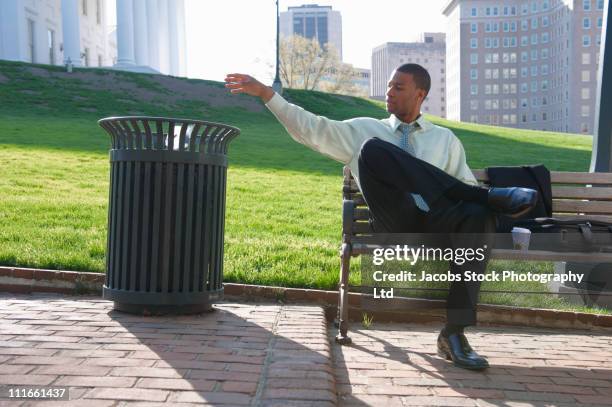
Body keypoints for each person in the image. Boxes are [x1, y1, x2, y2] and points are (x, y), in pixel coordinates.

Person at [224, 64, 537, 371]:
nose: (389, 92)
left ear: (420, 94)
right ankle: (488, 194)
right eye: (388, 85)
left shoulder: (445, 140)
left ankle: (454, 333)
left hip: (435, 225)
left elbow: (462, 191)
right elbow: (311, 128)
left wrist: (478, 202)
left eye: (398, 87)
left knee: (478, 214)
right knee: (373, 149)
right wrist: (266, 93)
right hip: (394, 221)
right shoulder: (364, 129)